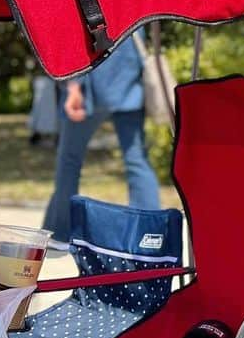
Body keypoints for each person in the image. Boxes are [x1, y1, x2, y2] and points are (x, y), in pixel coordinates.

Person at [42, 34, 160, 250]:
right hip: (129, 82)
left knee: (70, 160)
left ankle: (61, 231)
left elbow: (77, 36)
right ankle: (149, 232)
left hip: (89, 85)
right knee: (137, 160)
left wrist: (73, 86)